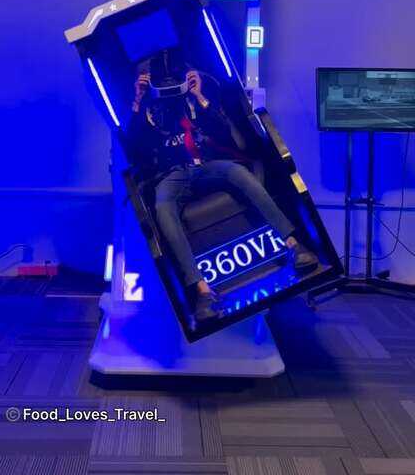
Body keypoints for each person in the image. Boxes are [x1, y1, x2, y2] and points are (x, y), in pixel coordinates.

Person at [125, 52, 318, 323]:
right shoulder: (147, 111)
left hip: (205, 166)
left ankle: (294, 245)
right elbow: (133, 149)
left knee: (238, 172)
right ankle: (202, 291)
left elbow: (223, 133)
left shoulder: (195, 100)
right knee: (162, 207)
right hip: (171, 175)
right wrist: (138, 101)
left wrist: (199, 96)